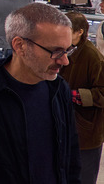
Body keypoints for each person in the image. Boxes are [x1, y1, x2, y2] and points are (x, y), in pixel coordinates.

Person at [0, 3, 81, 184]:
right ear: (20, 46)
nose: (65, 61)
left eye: (68, 50)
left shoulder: (59, 89)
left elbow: (71, 157)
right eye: (56, 51)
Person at [61, 12, 104, 184]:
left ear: (79, 32)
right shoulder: (64, 50)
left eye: (67, 30)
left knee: (84, 178)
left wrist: (73, 95)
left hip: (86, 132)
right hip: (65, 126)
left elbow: (102, 93)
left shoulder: (93, 58)